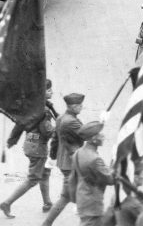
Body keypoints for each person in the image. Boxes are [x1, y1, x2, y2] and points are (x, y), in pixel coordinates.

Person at [0, 79, 58, 218]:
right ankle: (7, 203)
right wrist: (59, 130)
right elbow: (47, 131)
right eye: (49, 90)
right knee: (32, 179)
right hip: (39, 149)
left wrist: (11, 141)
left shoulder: (31, 107)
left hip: (29, 145)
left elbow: (19, 125)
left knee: (44, 173)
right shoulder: (44, 110)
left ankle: (47, 202)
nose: (52, 92)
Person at [42, 93, 85, 226]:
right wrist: (101, 123)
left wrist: (53, 157)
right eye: (79, 105)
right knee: (81, 194)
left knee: (68, 196)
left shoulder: (61, 118)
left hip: (65, 161)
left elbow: (55, 140)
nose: (82, 107)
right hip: (71, 163)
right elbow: (86, 134)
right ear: (72, 106)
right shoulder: (71, 121)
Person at [71, 121, 115, 226]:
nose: (103, 136)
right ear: (93, 139)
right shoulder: (95, 159)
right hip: (92, 204)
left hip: (82, 197)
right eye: (99, 135)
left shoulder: (79, 152)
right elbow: (110, 179)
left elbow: (73, 178)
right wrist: (114, 160)